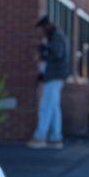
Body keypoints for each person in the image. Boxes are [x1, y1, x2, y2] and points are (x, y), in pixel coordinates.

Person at [28, 15, 70, 149]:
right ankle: (55, 137)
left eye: (41, 29)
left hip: (54, 76)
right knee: (53, 107)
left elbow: (57, 54)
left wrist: (43, 51)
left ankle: (40, 137)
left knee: (46, 107)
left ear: (46, 27)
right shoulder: (55, 36)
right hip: (55, 76)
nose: (40, 33)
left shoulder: (56, 37)